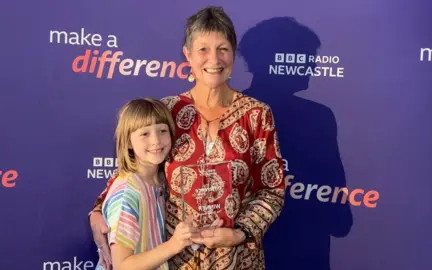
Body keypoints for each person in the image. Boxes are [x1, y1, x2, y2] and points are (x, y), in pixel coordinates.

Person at [90, 6, 286, 269]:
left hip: (239, 260)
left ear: (233, 55)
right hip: (177, 260)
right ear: (188, 55)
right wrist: (100, 207)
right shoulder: (167, 111)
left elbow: (272, 190)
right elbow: (137, 168)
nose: (214, 59)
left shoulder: (257, 115)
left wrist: (240, 233)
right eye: (203, 49)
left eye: (223, 49)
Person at [93, 98, 205, 270]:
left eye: (162, 131)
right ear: (128, 141)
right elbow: (123, 265)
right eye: (145, 134)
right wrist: (174, 244)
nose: (156, 141)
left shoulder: (161, 181)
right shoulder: (127, 194)